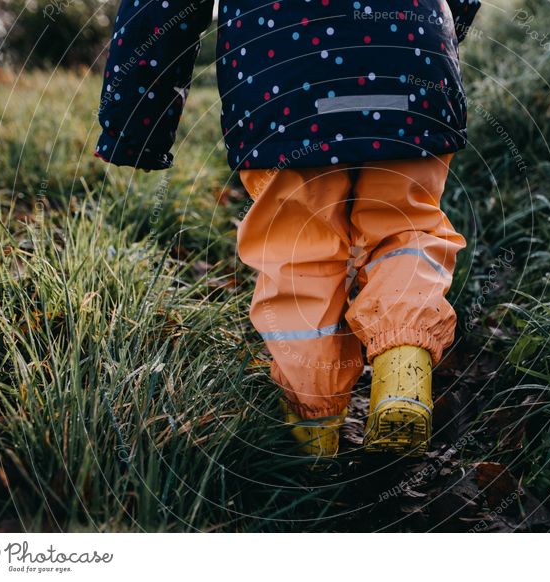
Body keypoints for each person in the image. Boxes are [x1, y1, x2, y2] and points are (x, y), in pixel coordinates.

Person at [94, 0, 481, 459]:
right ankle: (402, 370)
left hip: (282, 83)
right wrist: (436, 33)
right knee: (406, 227)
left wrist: (133, 126)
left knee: (300, 249)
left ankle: (312, 430)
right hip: (412, 63)